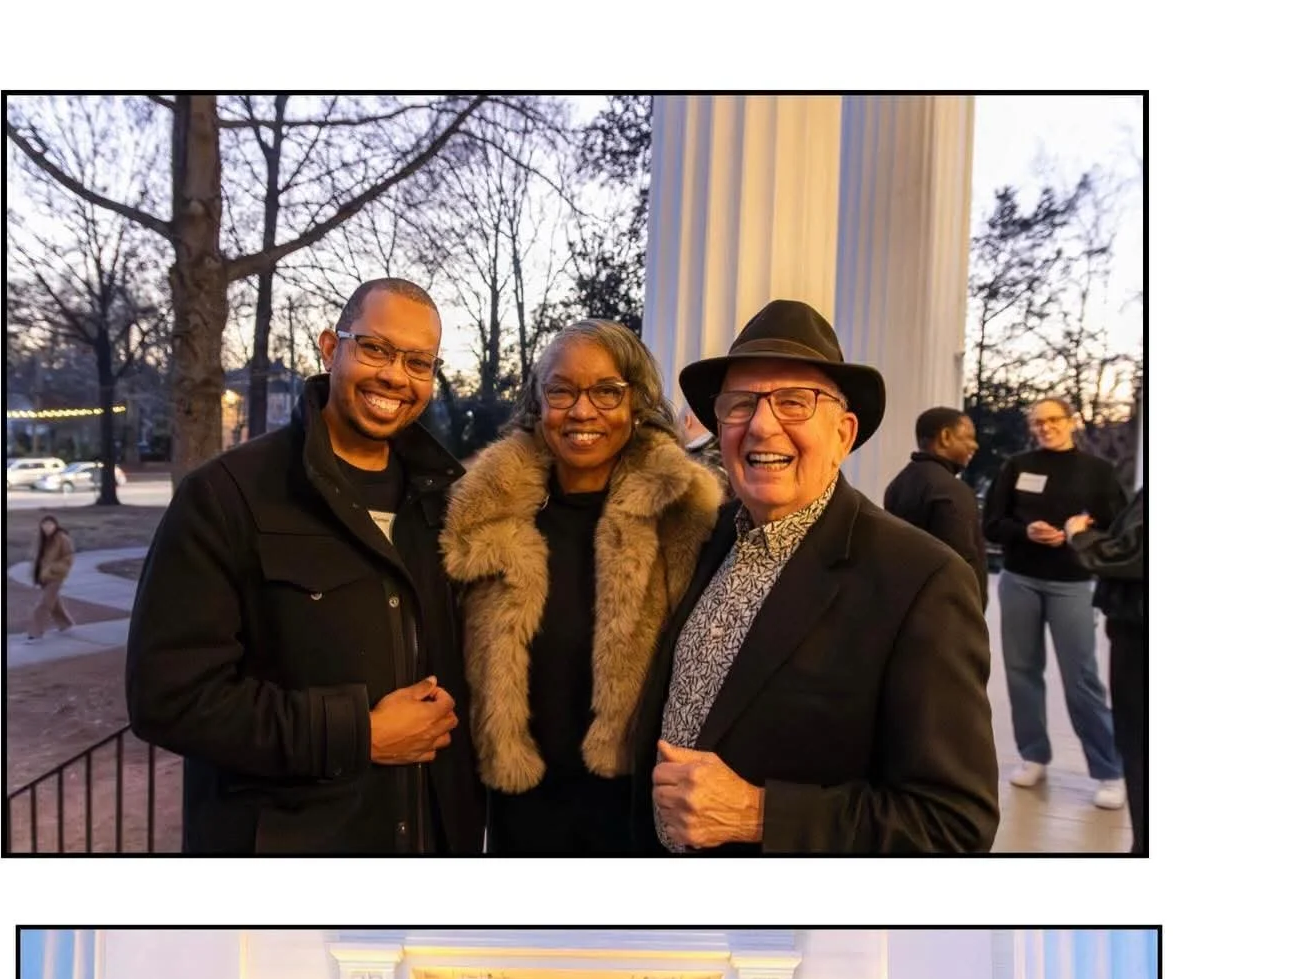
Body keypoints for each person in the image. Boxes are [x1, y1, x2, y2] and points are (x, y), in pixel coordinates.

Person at [124, 277, 483, 854]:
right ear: (329, 346)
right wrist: (358, 733)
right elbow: (169, 698)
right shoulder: (226, 496)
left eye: (419, 361)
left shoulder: (451, 506)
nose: (395, 375)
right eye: (375, 348)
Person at [635, 298, 997, 854]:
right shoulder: (709, 544)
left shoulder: (921, 581)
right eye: (739, 404)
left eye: (794, 402)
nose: (761, 425)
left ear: (844, 434)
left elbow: (953, 824)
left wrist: (760, 813)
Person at [442, 320, 722, 855]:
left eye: (607, 392)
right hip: (516, 818)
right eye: (561, 391)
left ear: (637, 402)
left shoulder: (685, 513)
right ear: (538, 403)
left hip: (644, 816)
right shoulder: (482, 513)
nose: (582, 411)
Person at [983, 396, 1127, 809]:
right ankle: (1033, 756)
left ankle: (1109, 770)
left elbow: (1116, 527)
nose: (1045, 427)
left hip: (1072, 583)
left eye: (1052, 420)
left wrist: (1080, 530)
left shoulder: (1098, 472)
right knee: (1021, 671)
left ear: (1070, 422)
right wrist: (1026, 531)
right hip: (1020, 580)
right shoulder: (1017, 466)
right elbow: (992, 522)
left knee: (1082, 678)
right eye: (1038, 422)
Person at [1065, 488, 1147, 854]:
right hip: (1133, 628)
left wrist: (1079, 535)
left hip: (1139, 633)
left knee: (1139, 743)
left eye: (1053, 422)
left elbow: (1132, 553)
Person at [882, 407, 988, 609]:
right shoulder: (951, 490)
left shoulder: (900, 482)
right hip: (946, 611)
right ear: (946, 437)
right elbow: (962, 561)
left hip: (905, 603)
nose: (974, 445)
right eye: (968, 437)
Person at [25, 514, 75, 639]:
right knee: (54, 603)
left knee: (43, 604)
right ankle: (65, 623)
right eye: (45, 525)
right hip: (44, 577)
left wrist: (53, 569)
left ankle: (35, 632)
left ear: (55, 525)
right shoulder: (41, 539)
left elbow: (68, 558)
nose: (47, 527)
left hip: (56, 576)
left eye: (50, 525)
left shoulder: (62, 538)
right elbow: (37, 558)